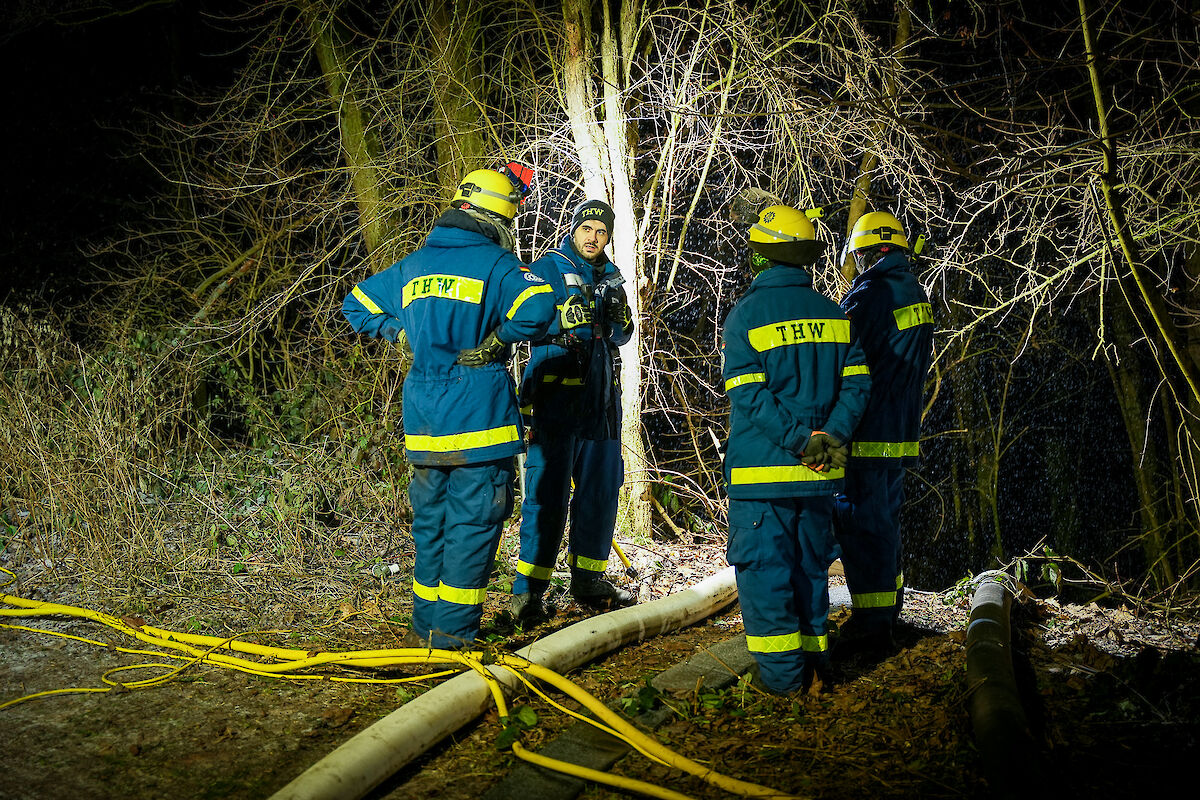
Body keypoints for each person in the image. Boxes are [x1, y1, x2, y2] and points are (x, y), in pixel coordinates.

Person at [341, 165, 556, 649]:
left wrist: (399, 334)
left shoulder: (412, 266)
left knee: (431, 528)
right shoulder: (498, 265)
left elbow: (355, 305)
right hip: (479, 425)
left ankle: (425, 631)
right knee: (472, 527)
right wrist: (497, 341)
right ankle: (453, 641)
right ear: (499, 214)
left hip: (423, 425)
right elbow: (540, 307)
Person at [722, 204, 871, 695]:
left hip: (763, 476)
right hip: (822, 471)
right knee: (810, 572)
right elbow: (857, 385)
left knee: (765, 575)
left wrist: (799, 441)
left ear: (761, 255)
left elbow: (749, 395)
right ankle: (818, 669)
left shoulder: (746, 315)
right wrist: (829, 439)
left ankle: (785, 685)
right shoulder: (834, 313)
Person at [510, 199, 636, 622]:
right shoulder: (547, 268)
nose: (593, 238)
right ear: (574, 228)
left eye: (601, 232)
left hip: (600, 402)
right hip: (556, 399)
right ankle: (529, 592)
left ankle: (588, 580)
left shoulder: (612, 277)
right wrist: (557, 321)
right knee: (547, 495)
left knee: (601, 492)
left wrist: (623, 323)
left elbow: (618, 336)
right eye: (587, 229)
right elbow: (518, 321)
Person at [834, 211, 934, 659]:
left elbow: (840, 354)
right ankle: (887, 609)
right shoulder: (915, 290)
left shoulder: (871, 294)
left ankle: (872, 628)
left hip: (868, 427)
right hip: (900, 428)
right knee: (885, 523)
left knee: (861, 523)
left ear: (867, 251)